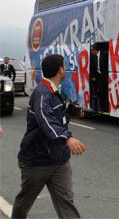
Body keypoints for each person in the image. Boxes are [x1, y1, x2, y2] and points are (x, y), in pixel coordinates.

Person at [12, 54, 86, 219]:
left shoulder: (55, 90)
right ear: (60, 70)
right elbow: (46, 120)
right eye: (65, 66)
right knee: (23, 205)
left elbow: (56, 117)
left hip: (59, 160)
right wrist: (67, 138)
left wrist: (69, 113)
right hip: (37, 162)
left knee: (66, 203)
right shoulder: (42, 93)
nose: (66, 69)